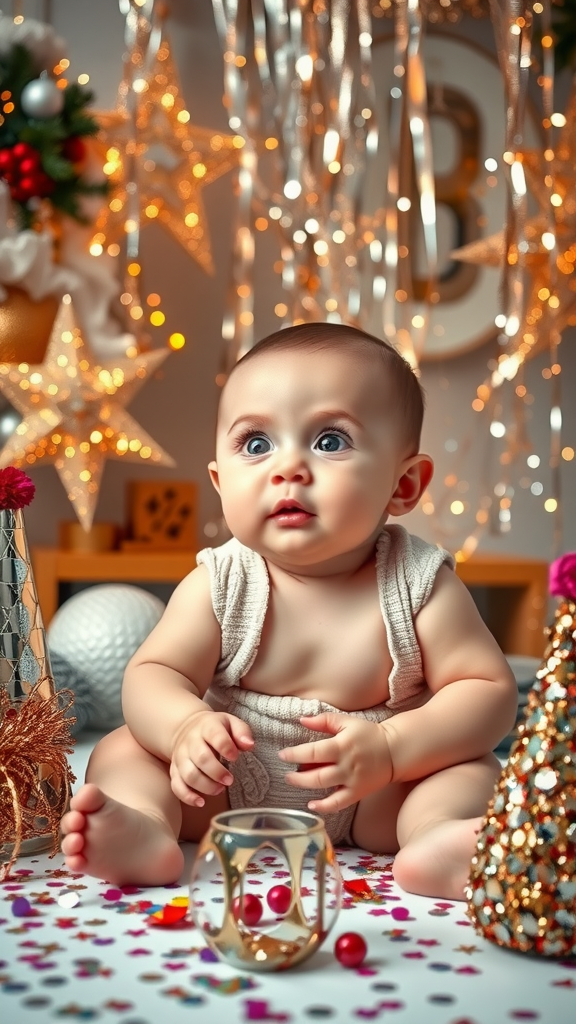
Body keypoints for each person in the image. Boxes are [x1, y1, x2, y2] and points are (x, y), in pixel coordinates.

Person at [60, 322, 517, 899]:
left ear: (403, 485)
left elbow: (487, 691)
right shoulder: (222, 580)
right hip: (223, 789)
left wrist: (396, 749)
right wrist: (184, 729)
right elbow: (156, 673)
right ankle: (147, 828)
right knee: (123, 748)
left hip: (376, 798)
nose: (288, 468)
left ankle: (434, 838)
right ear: (222, 484)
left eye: (329, 441)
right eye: (257, 444)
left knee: (471, 770)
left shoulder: (419, 583)